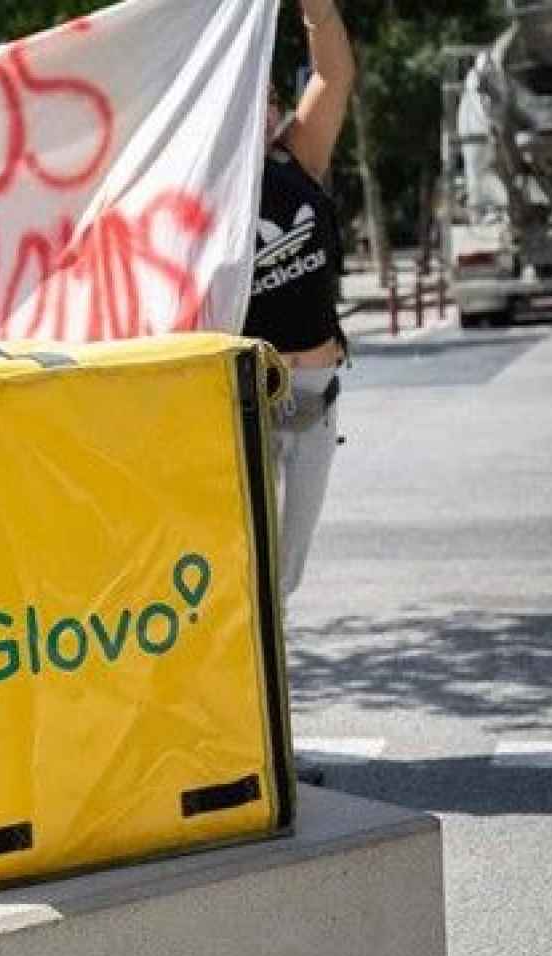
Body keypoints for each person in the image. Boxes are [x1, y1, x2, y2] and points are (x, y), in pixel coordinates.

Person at [246, 0, 355, 600]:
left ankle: (271, 682)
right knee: (251, 566)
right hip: (247, 402)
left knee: (285, 575)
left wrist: (314, 7)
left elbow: (333, 75)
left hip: (315, 400)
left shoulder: (298, 157)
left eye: (267, 94)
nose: (264, 106)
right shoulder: (205, 190)